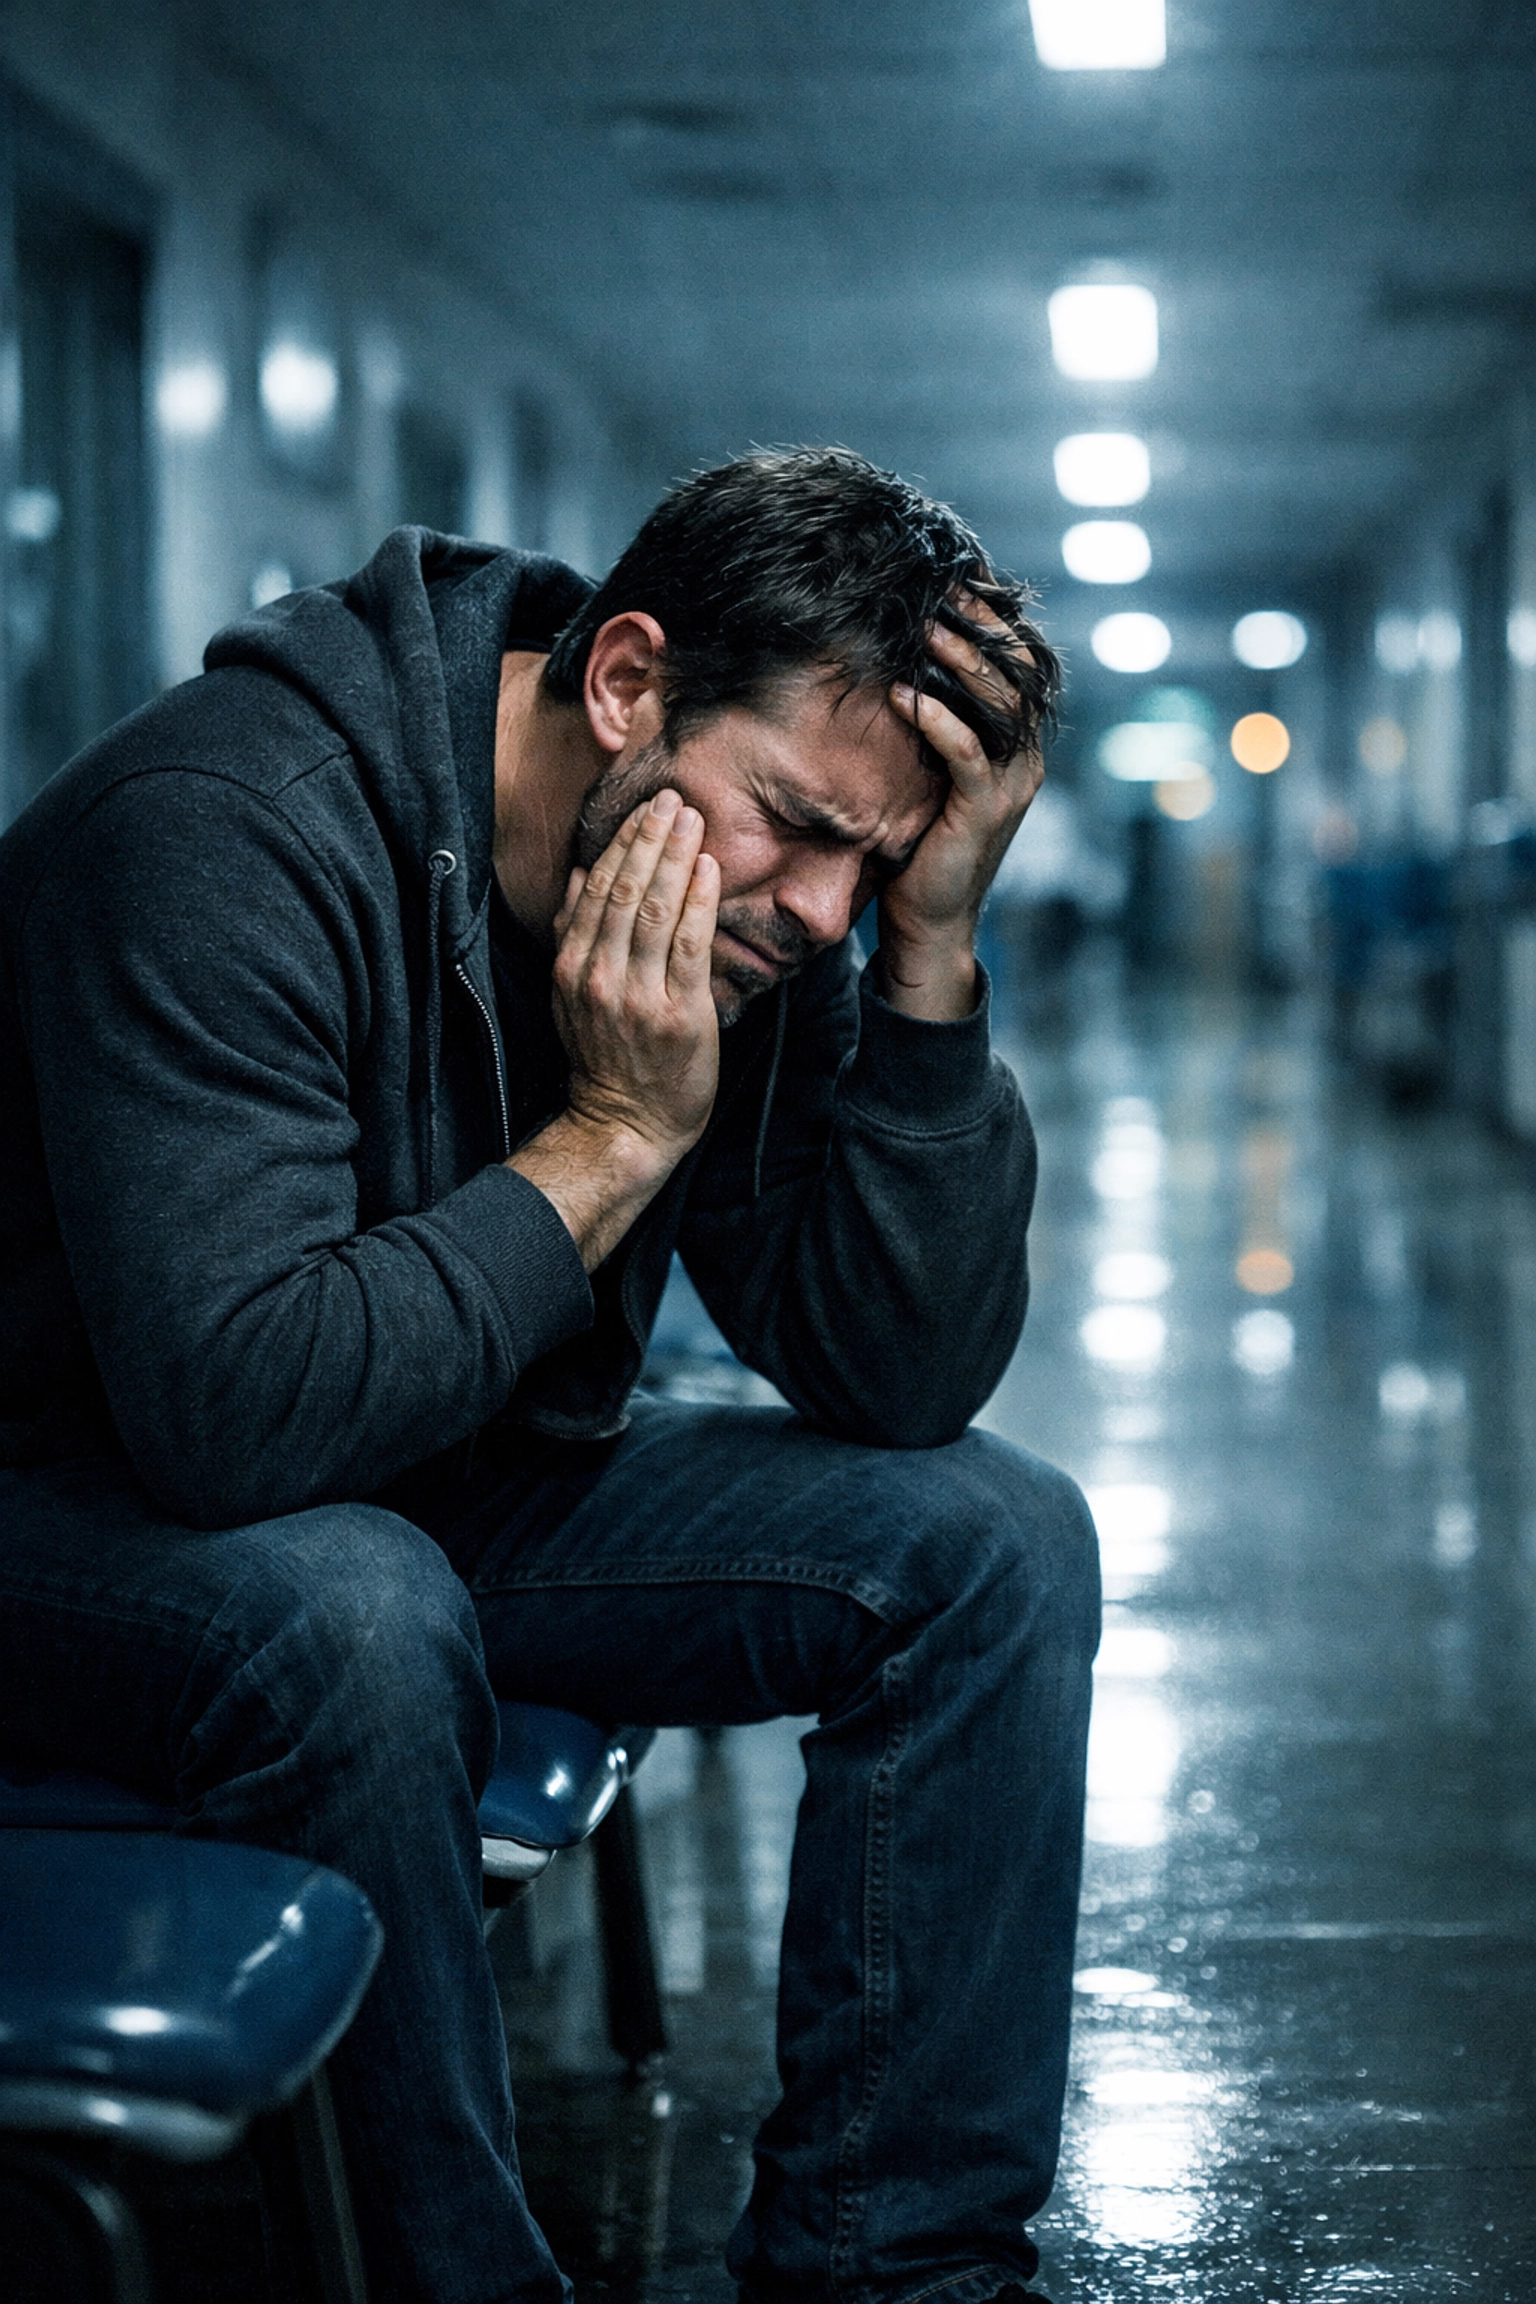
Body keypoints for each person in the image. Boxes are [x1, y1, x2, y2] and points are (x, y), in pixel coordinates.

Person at [0, 449, 1099, 2304]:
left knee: (991, 1544)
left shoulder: (740, 902)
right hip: (81, 1492)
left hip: (427, 1470)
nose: (820, 909)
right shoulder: (220, 827)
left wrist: (934, 958)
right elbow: (237, 1421)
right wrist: (608, 1138)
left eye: (880, 858)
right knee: (348, 1612)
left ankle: (894, 2276)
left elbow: (891, 1374)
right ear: (625, 685)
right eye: (804, 828)